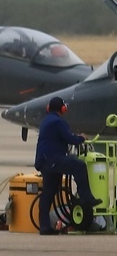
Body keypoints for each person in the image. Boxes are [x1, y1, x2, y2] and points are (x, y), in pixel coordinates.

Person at [35, 97, 98, 235]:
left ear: (48, 108)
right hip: (53, 160)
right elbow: (71, 139)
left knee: (48, 193)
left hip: (45, 161)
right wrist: (82, 138)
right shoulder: (58, 122)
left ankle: (44, 227)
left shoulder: (46, 121)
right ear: (62, 109)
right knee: (79, 165)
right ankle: (86, 197)